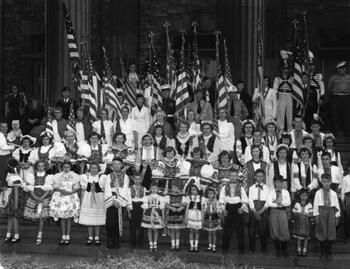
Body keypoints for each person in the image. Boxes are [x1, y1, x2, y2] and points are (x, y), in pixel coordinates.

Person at [101, 158, 131, 249]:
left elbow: (125, 189)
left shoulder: (125, 177)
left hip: (120, 203)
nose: (116, 166)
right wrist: (113, 200)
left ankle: (116, 241)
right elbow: (107, 189)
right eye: (114, 164)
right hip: (111, 202)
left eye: (118, 164)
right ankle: (110, 240)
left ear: (122, 165)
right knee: (110, 222)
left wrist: (118, 201)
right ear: (112, 166)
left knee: (118, 222)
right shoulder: (108, 176)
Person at [49, 161, 80, 245]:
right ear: (62, 168)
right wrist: (61, 190)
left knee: (69, 218)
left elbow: (77, 187)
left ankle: (68, 235)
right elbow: (54, 187)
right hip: (61, 197)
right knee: (62, 218)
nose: (66, 169)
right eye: (64, 167)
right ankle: (63, 235)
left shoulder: (75, 176)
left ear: (70, 168)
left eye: (68, 167)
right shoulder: (57, 176)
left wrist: (70, 192)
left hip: (70, 197)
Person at [23, 160, 53, 245]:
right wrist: (36, 197)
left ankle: (39, 235)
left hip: (44, 197)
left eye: (42, 166)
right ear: (36, 167)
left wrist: (42, 198)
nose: (40, 167)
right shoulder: (32, 176)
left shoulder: (48, 177)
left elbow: (48, 189)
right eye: (39, 166)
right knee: (36, 215)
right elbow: (29, 187)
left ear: (45, 167)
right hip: (34, 196)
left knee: (42, 217)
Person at [219, 169, 248, 254]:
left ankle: (241, 249)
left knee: (239, 229)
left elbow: (245, 199)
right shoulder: (225, 187)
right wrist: (223, 209)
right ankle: (225, 248)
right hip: (228, 208)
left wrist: (242, 208)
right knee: (227, 230)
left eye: (235, 175)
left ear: (237, 177)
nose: (233, 177)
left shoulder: (241, 187)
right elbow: (221, 198)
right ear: (229, 176)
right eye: (231, 175)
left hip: (237, 208)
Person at [314, 173, 340, 260]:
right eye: (324, 181)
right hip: (321, 212)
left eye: (327, 181)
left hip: (331, 212)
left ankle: (328, 252)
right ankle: (322, 252)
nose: (326, 183)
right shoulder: (318, 193)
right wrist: (316, 215)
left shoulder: (333, 194)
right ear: (321, 182)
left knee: (330, 232)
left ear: (331, 182)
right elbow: (315, 205)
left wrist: (336, 216)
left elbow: (336, 206)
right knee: (322, 232)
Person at [79, 162, 106, 246]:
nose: (93, 169)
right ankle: (90, 237)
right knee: (89, 219)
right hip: (88, 199)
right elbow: (83, 189)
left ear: (98, 169)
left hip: (99, 199)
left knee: (97, 219)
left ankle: (97, 237)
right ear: (89, 169)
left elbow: (103, 188)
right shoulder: (85, 177)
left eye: (95, 168)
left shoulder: (102, 177)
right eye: (92, 168)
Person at [1, 159, 25, 243]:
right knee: (10, 217)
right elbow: (6, 188)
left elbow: (16, 191)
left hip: (14, 198)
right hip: (9, 196)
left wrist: (15, 204)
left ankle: (16, 235)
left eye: (9, 165)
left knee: (14, 217)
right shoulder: (10, 175)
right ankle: (8, 235)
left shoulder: (15, 177)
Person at [268, 175, 291, 257]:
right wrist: (277, 204)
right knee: (275, 230)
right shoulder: (271, 192)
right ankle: (277, 249)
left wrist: (281, 203)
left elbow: (288, 202)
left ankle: (284, 249)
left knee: (283, 229)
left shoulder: (285, 192)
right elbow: (269, 203)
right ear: (274, 183)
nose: (279, 184)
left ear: (283, 183)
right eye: (277, 182)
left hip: (283, 212)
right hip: (274, 212)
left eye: (281, 182)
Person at [248, 169, 269, 254]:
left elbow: (268, 201)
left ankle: (264, 249)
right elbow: (250, 200)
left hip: (263, 210)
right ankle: (251, 249)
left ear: (263, 177)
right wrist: (254, 211)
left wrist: (261, 211)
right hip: (253, 210)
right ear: (254, 177)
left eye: (261, 176)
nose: (259, 178)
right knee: (252, 231)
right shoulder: (251, 188)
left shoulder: (267, 188)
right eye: (258, 176)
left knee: (263, 230)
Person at [327, 61, 350, 135]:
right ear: (338, 70)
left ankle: (347, 131)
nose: (342, 70)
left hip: (346, 97)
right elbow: (329, 88)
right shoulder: (333, 78)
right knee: (335, 114)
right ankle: (336, 131)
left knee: (346, 114)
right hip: (336, 97)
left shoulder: (349, 77)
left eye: (343, 68)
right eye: (340, 69)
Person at [141, 181, 165, 251]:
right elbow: (145, 207)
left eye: (155, 188)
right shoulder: (147, 197)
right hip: (149, 214)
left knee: (156, 229)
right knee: (149, 229)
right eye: (152, 188)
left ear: (158, 189)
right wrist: (143, 216)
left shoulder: (161, 197)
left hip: (157, 214)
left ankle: (155, 244)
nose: (154, 190)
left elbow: (162, 208)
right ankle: (151, 244)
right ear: (150, 189)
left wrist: (163, 217)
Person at [164, 178, 186, 251]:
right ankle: (173, 245)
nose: (174, 189)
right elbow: (166, 204)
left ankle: (177, 245)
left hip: (179, 213)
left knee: (178, 230)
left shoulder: (182, 195)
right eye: (173, 187)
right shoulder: (169, 195)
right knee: (172, 230)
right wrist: (171, 207)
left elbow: (185, 204)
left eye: (176, 187)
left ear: (179, 188)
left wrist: (181, 208)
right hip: (172, 213)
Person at [274, 59, 294, 132]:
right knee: (281, 114)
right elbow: (275, 89)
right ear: (281, 69)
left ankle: (290, 130)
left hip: (289, 95)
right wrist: (276, 96)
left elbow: (294, 89)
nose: (285, 71)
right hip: (281, 95)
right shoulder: (277, 78)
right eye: (284, 69)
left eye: (286, 69)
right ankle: (280, 130)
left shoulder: (292, 78)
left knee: (290, 114)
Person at [128, 171, 146, 248]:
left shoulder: (144, 188)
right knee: (133, 227)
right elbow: (128, 199)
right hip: (132, 206)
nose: (137, 181)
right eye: (136, 179)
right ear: (133, 179)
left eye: (139, 179)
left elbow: (145, 200)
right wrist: (129, 211)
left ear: (141, 179)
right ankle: (133, 243)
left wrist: (144, 211)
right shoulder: (130, 188)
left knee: (141, 226)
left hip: (141, 206)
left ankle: (140, 243)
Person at [292, 188, 313, 257]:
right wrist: (298, 213)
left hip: (306, 223)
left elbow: (311, 213)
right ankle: (299, 248)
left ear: (307, 196)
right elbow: (294, 212)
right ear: (299, 196)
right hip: (299, 223)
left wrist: (307, 214)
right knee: (299, 236)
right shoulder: (297, 204)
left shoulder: (309, 205)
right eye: (302, 195)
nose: (303, 197)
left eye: (305, 195)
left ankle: (305, 248)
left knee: (306, 237)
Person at [202, 186, 222, 253]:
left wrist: (215, 209)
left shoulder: (216, 202)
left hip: (214, 219)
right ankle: (209, 246)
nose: (210, 195)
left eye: (211, 193)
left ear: (214, 194)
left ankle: (214, 246)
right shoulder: (206, 201)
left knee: (214, 233)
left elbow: (218, 211)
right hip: (208, 219)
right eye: (208, 193)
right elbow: (204, 210)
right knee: (209, 233)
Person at [184, 183, 203, 252]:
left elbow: (202, 210)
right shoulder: (189, 198)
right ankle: (191, 246)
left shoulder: (201, 198)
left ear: (198, 190)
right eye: (191, 190)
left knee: (197, 231)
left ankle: (196, 245)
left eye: (194, 190)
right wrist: (185, 218)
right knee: (191, 231)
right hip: (190, 215)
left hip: (198, 216)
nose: (192, 191)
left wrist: (202, 219)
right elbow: (187, 208)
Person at [0, 122, 16, 190]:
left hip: (7, 156)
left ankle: (6, 193)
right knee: (3, 174)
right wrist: (12, 147)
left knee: (8, 174)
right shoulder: (0, 136)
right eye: (2, 127)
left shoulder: (5, 135)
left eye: (5, 127)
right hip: (2, 157)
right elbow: (2, 147)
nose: (4, 128)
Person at [341, 165, 350, 244]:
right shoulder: (345, 178)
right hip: (348, 197)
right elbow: (343, 190)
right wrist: (343, 202)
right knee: (347, 218)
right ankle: (347, 236)